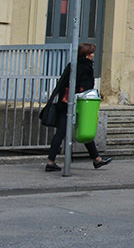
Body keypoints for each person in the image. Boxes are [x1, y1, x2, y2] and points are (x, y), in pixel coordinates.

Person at [45, 43, 112, 171]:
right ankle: (51, 162)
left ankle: (96, 159)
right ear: (86, 55)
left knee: (65, 131)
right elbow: (85, 88)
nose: (93, 55)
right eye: (91, 53)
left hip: (64, 102)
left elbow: (64, 83)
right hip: (77, 104)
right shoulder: (85, 68)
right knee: (82, 128)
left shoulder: (72, 65)